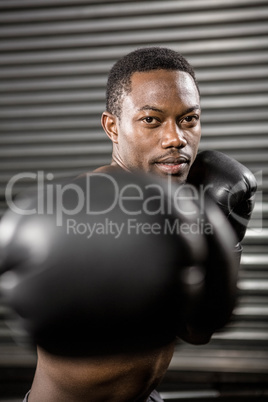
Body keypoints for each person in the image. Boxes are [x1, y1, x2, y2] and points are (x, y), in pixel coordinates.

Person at [0, 47, 256, 402]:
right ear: (112, 126)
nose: (175, 139)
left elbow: (198, 330)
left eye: (189, 119)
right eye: (151, 120)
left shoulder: (179, 208)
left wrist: (225, 235)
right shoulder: (85, 210)